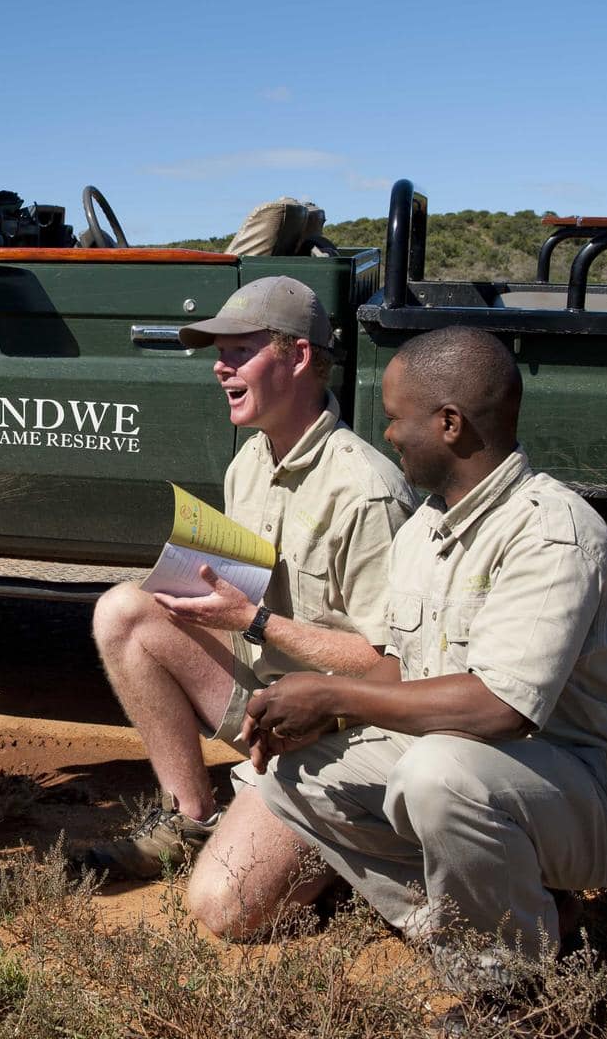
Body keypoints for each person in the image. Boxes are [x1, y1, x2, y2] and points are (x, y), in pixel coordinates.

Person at [194, 325, 607, 986]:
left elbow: (499, 708)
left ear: (449, 423)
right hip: (477, 767)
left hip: (590, 792)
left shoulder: (549, 534)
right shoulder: (426, 529)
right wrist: (323, 719)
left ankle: (504, 987)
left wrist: (332, 694)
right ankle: (487, 916)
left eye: (396, 418)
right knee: (297, 777)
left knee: (438, 774)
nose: (388, 434)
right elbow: (404, 664)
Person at [82, 276, 415, 879]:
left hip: (340, 723)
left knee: (228, 898)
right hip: (270, 698)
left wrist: (254, 620)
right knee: (124, 612)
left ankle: (353, 837)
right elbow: (242, 599)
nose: (220, 367)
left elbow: (397, 664)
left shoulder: (366, 491)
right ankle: (192, 820)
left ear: (300, 356)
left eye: (240, 350)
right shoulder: (249, 462)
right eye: (219, 352)